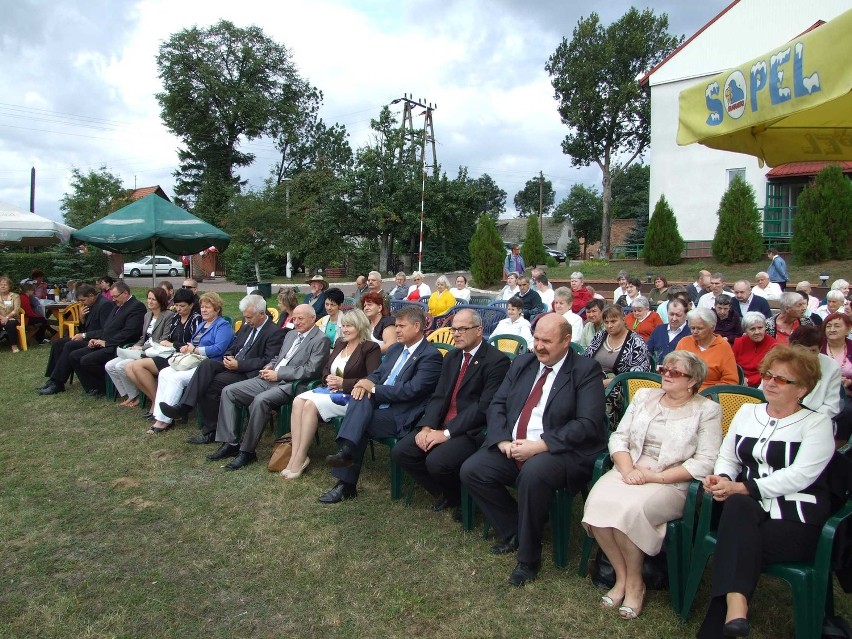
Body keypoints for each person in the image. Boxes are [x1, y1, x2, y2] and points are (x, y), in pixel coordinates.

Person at [697, 345, 835, 639]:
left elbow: (800, 476)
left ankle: (720, 622)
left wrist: (743, 487)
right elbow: (729, 456)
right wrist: (722, 478)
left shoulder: (817, 423)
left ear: (803, 389)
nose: (770, 383)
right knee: (738, 507)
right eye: (768, 375)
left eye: (782, 380)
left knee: (735, 544)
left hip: (795, 518)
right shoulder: (748, 412)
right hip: (746, 510)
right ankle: (736, 606)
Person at [460, 314, 606, 586]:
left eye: (547, 341)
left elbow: (587, 424)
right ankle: (515, 530)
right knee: (472, 469)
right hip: (513, 444)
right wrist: (502, 440)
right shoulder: (524, 362)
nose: (538, 346)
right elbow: (498, 404)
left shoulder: (585, 370)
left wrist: (539, 446)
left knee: (533, 475)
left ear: (566, 340)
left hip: (559, 451)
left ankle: (528, 560)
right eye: (536, 338)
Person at [583, 351, 722, 619]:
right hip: (631, 467)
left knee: (630, 511)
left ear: (692, 381)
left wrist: (653, 477)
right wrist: (627, 469)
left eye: (675, 372)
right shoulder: (645, 396)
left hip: (672, 480)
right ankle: (622, 577)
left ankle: (636, 585)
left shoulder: (707, 410)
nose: (666, 374)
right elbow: (619, 437)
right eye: (664, 368)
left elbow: (706, 461)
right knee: (597, 502)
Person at [392, 309, 511, 513]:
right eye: (454, 329)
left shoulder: (496, 361)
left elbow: (483, 408)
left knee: (437, 461)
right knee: (402, 452)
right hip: (441, 423)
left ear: (479, 330)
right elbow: (439, 396)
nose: (456, 333)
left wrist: (446, 433)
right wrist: (427, 426)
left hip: (470, 429)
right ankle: (452, 493)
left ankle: (461, 497)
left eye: (462, 329)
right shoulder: (452, 357)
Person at [322, 304, 443, 503]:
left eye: (401, 326)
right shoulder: (396, 349)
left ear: (417, 326)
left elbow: (412, 390)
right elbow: (378, 374)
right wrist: (365, 383)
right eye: (396, 325)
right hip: (379, 404)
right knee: (359, 397)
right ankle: (345, 465)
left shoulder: (430, 356)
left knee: (359, 423)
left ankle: (346, 480)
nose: (396, 330)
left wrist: (375, 389)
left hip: (402, 413)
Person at [208, 304, 330, 470]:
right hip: (270, 377)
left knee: (260, 400)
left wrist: (279, 374)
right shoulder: (291, 334)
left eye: (301, 318)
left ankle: (247, 451)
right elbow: (280, 357)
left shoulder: (320, 339)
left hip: (292, 385)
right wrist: (270, 366)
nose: (297, 322)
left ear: (313, 318)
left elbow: (311, 370)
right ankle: (231, 443)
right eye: (294, 318)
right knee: (229, 391)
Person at [158, 294, 286, 443]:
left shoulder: (274, 332)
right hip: (233, 365)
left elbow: (268, 360)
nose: (246, 321)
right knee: (206, 365)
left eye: (249, 317)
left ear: (262, 314)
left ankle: (209, 430)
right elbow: (233, 346)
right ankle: (185, 408)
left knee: (209, 384)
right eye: (245, 317)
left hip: (248, 373)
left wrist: (239, 365)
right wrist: (228, 356)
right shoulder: (247, 328)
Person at [283, 309, 382, 479]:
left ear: (360, 326)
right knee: (298, 400)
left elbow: (373, 378)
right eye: (343, 326)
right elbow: (327, 368)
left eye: (349, 326)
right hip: (330, 391)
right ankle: (295, 454)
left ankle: (300, 457)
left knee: (310, 404)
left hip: (352, 396)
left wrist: (345, 383)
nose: (345, 329)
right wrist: (327, 377)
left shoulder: (370, 347)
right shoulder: (340, 343)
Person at [147, 292, 233, 433]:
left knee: (177, 378)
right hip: (192, 360)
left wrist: (197, 350)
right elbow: (193, 343)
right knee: (164, 373)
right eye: (202, 307)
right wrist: (187, 347)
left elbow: (219, 348)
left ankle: (166, 420)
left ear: (217, 309)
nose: (203, 310)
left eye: (208, 308)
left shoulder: (222, 326)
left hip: (208, 364)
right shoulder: (202, 324)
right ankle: (159, 416)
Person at [65, 281, 147, 398]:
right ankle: (91, 387)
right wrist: (97, 339)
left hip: (119, 346)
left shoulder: (136, 307)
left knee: (86, 360)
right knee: (74, 355)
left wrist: (107, 342)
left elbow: (129, 332)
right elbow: (107, 328)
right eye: (112, 296)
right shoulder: (118, 306)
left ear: (125, 293)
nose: (113, 299)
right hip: (106, 343)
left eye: (115, 296)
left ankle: (103, 387)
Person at [124, 288, 202, 408]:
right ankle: (155, 399)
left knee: (138, 366)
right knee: (129, 367)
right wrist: (166, 344)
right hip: (168, 353)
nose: (178, 309)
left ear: (191, 305)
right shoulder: (176, 318)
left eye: (182, 306)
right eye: (176, 305)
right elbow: (167, 338)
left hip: (182, 357)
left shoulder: (196, 319)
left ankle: (156, 402)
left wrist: (173, 344)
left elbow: (194, 345)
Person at [105, 287, 174, 408]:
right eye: (149, 298)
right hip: (141, 349)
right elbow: (143, 337)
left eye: (154, 299)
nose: (150, 302)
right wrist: (136, 346)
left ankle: (140, 397)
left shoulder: (168, 315)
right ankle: (130, 394)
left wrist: (142, 348)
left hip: (154, 351)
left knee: (121, 365)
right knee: (109, 365)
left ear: (161, 301)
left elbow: (163, 339)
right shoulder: (147, 316)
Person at [38, 285, 112, 395]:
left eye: (83, 300)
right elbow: (85, 327)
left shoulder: (105, 305)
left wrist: (84, 335)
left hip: (97, 340)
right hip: (88, 337)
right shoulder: (90, 304)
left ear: (91, 296)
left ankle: (58, 382)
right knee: (58, 342)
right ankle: (53, 379)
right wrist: (81, 318)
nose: (82, 303)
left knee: (69, 345)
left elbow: (105, 331)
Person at [777, 326, 842, 421]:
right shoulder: (777, 361)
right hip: (778, 415)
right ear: (790, 346)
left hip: (814, 419)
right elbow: (763, 394)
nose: (807, 355)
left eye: (813, 351)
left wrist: (805, 419)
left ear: (820, 349)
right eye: (802, 350)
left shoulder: (832, 366)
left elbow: (831, 406)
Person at [583, 305, 651, 387]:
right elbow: (585, 358)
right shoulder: (600, 336)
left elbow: (636, 376)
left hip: (620, 388)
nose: (609, 326)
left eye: (613, 321)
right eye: (606, 322)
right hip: (593, 381)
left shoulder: (636, 342)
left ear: (623, 319)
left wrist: (604, 383)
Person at [675, 308, 738, 391]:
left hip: (709, 395)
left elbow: (730, 381)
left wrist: (709, 393)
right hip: (682, 391)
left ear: (712, 327)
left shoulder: (723, 347)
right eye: (692, 328)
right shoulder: (684, 342)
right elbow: (673, 369)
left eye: (700, 328)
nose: (695, 331)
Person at [821, 312, 852, 441]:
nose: (832, 329)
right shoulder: (817, 346)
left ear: (848, 329)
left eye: (837, 326)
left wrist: (850, 382)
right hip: (820, 391)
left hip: (848, 393)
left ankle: (841, 443)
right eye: (829, 326)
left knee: (847, 410)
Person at [732, 312, 776, 387]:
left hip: (763, 384)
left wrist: (749, 380)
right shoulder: (739, 342)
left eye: (760, 328)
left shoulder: (774, 345)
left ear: (765, 327)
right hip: (739, 382)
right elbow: (731, 365)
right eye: (752, 329)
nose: (757, 332)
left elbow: (772, 371)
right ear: (745, 331)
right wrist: (740, 379)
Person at [646, 298, 690, 363]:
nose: (674, 318)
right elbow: (648, 352)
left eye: (678, 315)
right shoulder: (658, 330)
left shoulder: (691, 332)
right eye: (671, 314)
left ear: (686, 315)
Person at [0, 276, 21, 352]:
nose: (3, 286)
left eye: (5, 284)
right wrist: (2, 317)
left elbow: (16, 310)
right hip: (1, 318)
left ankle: (14, 346)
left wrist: (7, 317)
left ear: (9, 286)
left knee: (11, 323)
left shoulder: (15, 296)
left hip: (13, 318)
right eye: (1, 284)